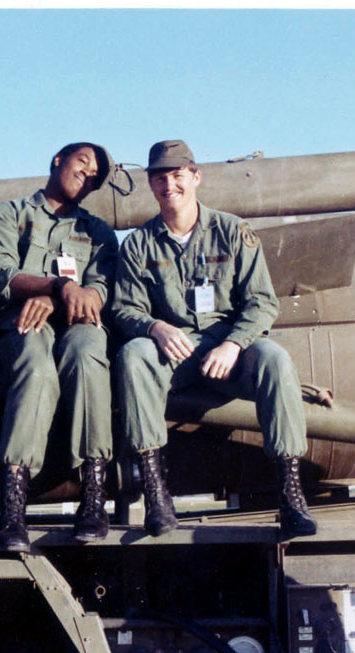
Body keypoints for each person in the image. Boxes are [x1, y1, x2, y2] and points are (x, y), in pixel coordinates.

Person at [111, 139, 317, 541]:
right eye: (159, 177)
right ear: (150, 185)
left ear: (195, 176)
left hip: (229, 350)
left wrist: (234, 344)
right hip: (176, 353)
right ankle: (156, 495)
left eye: (177, 175)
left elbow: (261, 303)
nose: (169, 185)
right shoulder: (137, 245)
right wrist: (155, 327)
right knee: (134, 354)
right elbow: (123, 309)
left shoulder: (232, 231)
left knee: (274, 358)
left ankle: (291, 498)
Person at [0, 142, 118, 552]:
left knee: (88, 355)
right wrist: (56, 285)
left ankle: (93, 493)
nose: (88, 174)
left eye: (95, 175)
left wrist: (59, 296)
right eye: (83, 163)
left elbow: (99, 291)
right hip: (21, 321)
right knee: (37, 368)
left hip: (78, 324)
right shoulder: (9, 214)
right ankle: (12, 504)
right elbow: (1, 276)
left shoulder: (98, 233)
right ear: (57, 160)